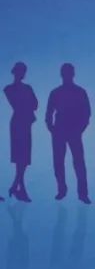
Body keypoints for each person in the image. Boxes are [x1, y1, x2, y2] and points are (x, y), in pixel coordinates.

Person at [46, 63, 91, 203]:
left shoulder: (79, 92)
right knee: (60, 162)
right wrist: (51, 128)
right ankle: (62, 190)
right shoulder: (56, 92)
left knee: (78, 162)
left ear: (72, 74)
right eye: (66, 72)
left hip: (73, 130)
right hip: (60, 130)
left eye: (69, 72)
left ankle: (82, 193)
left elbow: (87, 113)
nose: (67, 75)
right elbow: (49, 112)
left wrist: (80, 129)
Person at [4, 62, 37, 202]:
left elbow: (35, 104)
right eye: (21, 71)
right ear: (15, 72)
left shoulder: (27, 88)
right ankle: (19, 188)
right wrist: (27, 103)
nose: (23, 74)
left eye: (24, 71)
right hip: (18, 123)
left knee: (24, 157)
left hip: (25, 123)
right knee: (20, 157)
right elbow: (19, 104)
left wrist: (27, 103)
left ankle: (16, 186)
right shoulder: (9, 89)